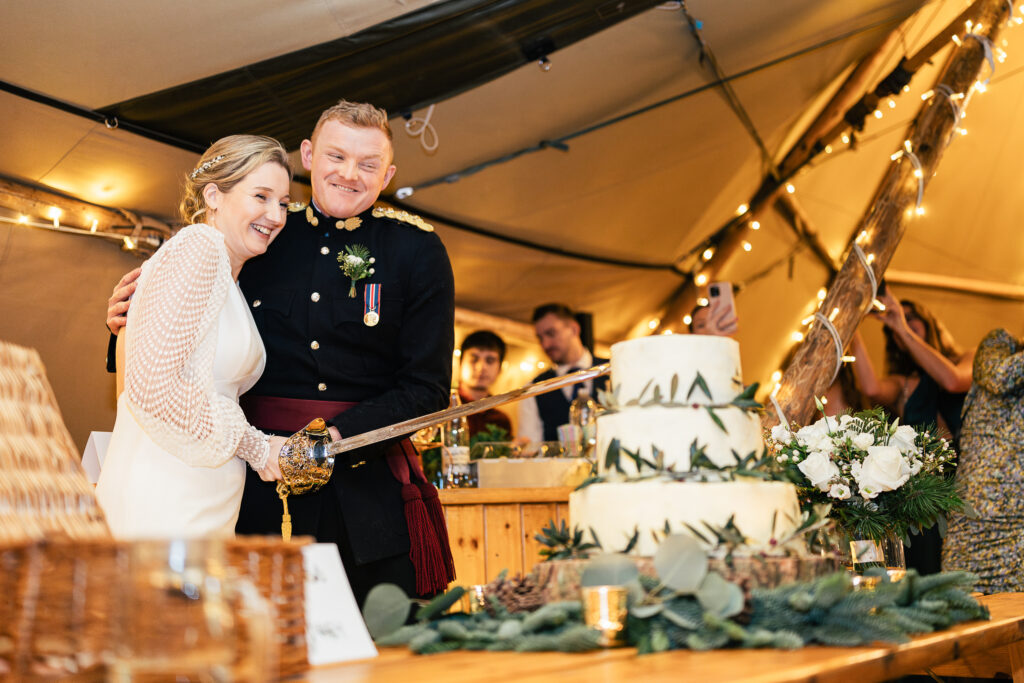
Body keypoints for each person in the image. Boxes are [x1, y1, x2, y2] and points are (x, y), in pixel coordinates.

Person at [107, 100, 456, 604]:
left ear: (389, 175)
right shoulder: (261, 229)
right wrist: (123, 320)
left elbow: (425, 387)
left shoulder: (416, 250)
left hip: (363, 490)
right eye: (336, 156)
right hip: (251, 486)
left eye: (369, 165)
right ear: (310, 155)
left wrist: (335, 440)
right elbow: (181, 335)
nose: (349, 174)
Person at [97, 135, 291, 539]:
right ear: (214, 195)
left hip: (206, 491)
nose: (275, 215)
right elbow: (150, 386)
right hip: (167, 493)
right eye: (261, 196)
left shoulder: (228, 274)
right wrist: (256, 447)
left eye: (284, 203)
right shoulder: (198, 248)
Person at [850, 289, 974, 575]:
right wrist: (852, 325)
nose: (901, 323)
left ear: (927, 321)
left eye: (910, 317)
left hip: (968, 480)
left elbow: (953, 382)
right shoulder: (904, 383)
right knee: (928, 562)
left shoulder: (966, 359)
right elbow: (870, 388)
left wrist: (901, 328)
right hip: (925, 492)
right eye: (895, 326)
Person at [941, 328, 1024, 591]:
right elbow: (1001, 377)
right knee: (959, 608)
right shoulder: (999, 343)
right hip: (972, 520)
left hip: (1018, 526)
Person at [517, 303, 608, 444]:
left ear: (574, 329)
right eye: (540, 338)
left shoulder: (612, 370)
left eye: (551, 334)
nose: (545, 344)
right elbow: (531, 448)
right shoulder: (533, 389)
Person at [458, 330, 513, 438]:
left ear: (500, 368)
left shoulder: (501, 421)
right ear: (460, 363)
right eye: (474, 359)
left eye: (490, 360)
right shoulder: (443, 410)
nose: (481, 367)